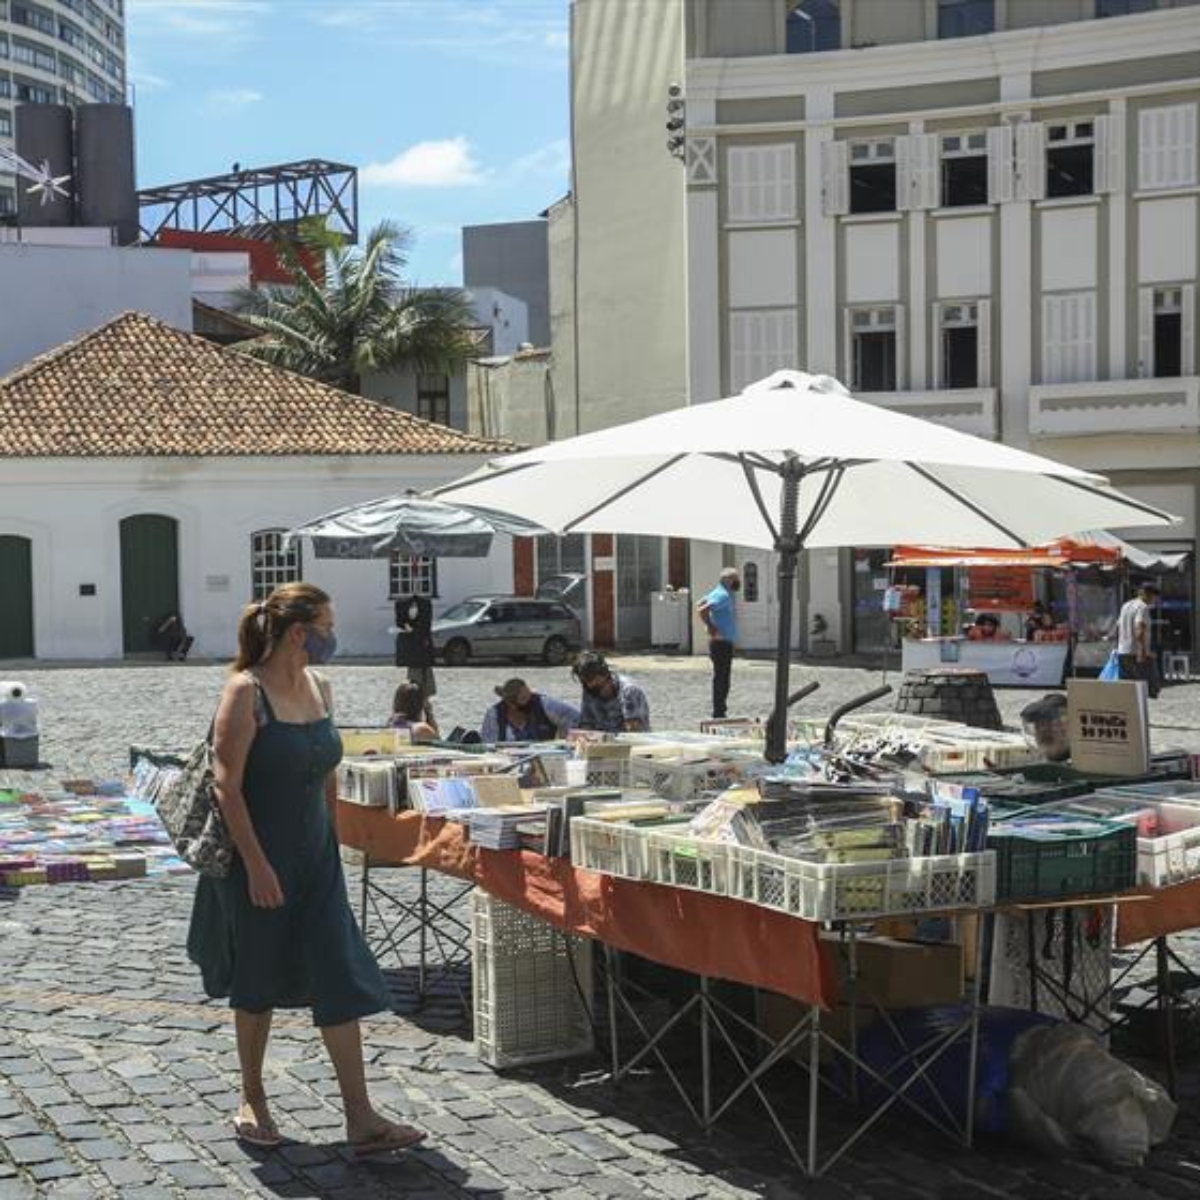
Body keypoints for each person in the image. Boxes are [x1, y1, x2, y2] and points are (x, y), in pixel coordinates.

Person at [187, 582, 424, 1157]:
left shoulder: (320, 685)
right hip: (257, 860)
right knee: (258, 977)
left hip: (316, 857)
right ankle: (252, 1097)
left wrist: (335, 838)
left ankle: (361, 1117)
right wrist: (257, 865)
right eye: (327, 625)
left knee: (336, 971)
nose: (332, 635)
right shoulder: (245, 692)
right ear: (301, 633)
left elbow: (325, 769)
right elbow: (227, 786)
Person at [697, 567, 740, 719]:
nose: (738, 582)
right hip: (721, 643)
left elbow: (700, 602)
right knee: (722, 678)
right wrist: (711, 626)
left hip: (723, 642)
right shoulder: (723, 595)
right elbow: (702, 609)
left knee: (721, 677)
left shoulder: (718, 591)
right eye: (735, 579)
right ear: (728, 580)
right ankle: (719, 712)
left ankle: (720, 710)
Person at [480, 678, 580, 743]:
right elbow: (487, 746)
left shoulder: (545, 704)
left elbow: (576, 718)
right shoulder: (494, 715)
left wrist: (564, 740)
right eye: (525, 704)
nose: (531, 704)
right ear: (511, 705)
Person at [573, 651, 650, 733]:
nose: (589, 685)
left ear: (605, 675)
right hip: (602, 743)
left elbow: (634, 730)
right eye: (584, 682)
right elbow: (586, 725)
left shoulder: (629, 691)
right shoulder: (589, 691)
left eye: (591, 679)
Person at [394, 592, 437, 719]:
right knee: (414, 691)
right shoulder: (405, 611)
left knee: (423, 694)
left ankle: (426, 714)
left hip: (422, 659)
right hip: (415, 660)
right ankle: (420, 713)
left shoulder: (424, 610)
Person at [1117, 582, 1162, 698]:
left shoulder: (1125, 605)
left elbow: (1118, 626)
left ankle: (1129, 711)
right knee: (1144, 688)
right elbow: (1139, 629)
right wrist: (1141, 652)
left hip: (1122, 651)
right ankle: (1140, 711)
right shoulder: (1143, 607)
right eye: (1154, 598)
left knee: (1127, 688)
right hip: (1135, 652)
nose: (1154, 601)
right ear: (1149, 595)